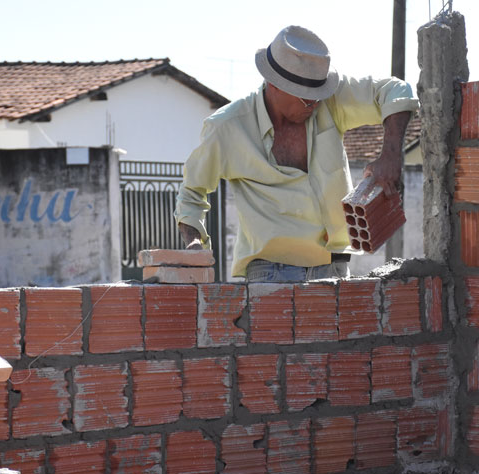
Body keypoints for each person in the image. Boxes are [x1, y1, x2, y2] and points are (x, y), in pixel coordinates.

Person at [173, 25, 418, 282]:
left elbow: (396, 90)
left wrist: (391, 155)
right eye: (306, 99)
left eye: (318, 96)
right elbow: (191, 193)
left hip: (335, 270)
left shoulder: (327, 99)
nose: (314, 104)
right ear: (274, 85)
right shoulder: (227, 128)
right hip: (269, 274)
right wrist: (194, 244)